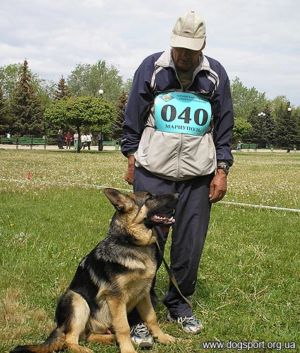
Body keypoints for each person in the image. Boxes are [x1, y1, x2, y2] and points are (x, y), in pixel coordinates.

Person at [121, 10, 234, 347]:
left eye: (191, 50)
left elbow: (224, 124)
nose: (184, 56)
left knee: (189, 245)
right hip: (153, 173)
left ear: (203, 46)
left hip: (198, 178)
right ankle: (139, 314)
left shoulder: (215, 75)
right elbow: (133, 115)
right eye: (179, 48)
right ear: (172, 42)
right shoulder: (151, 67)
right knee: (146, 245)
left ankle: (179, 304)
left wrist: (222, 169)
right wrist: (130, 156)